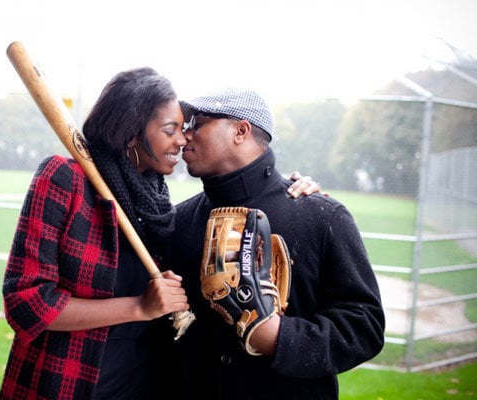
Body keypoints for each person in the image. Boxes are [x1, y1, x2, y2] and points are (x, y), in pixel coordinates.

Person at [0, 68, 320, 400]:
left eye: (184, 129)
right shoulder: (66, 179)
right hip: (66, 384)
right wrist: (139, 306)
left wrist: (283, 189)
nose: (182, 140)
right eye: (171, 130)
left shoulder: (161, 208)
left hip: (141, 387)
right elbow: (27, 303)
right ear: (131, 133)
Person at [152, 88, 385, 399]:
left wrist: (277, 337)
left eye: (199, 122)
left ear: (241, 131)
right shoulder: (178, 221)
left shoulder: (321, 216)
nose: (185, 135)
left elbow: (364, 326)